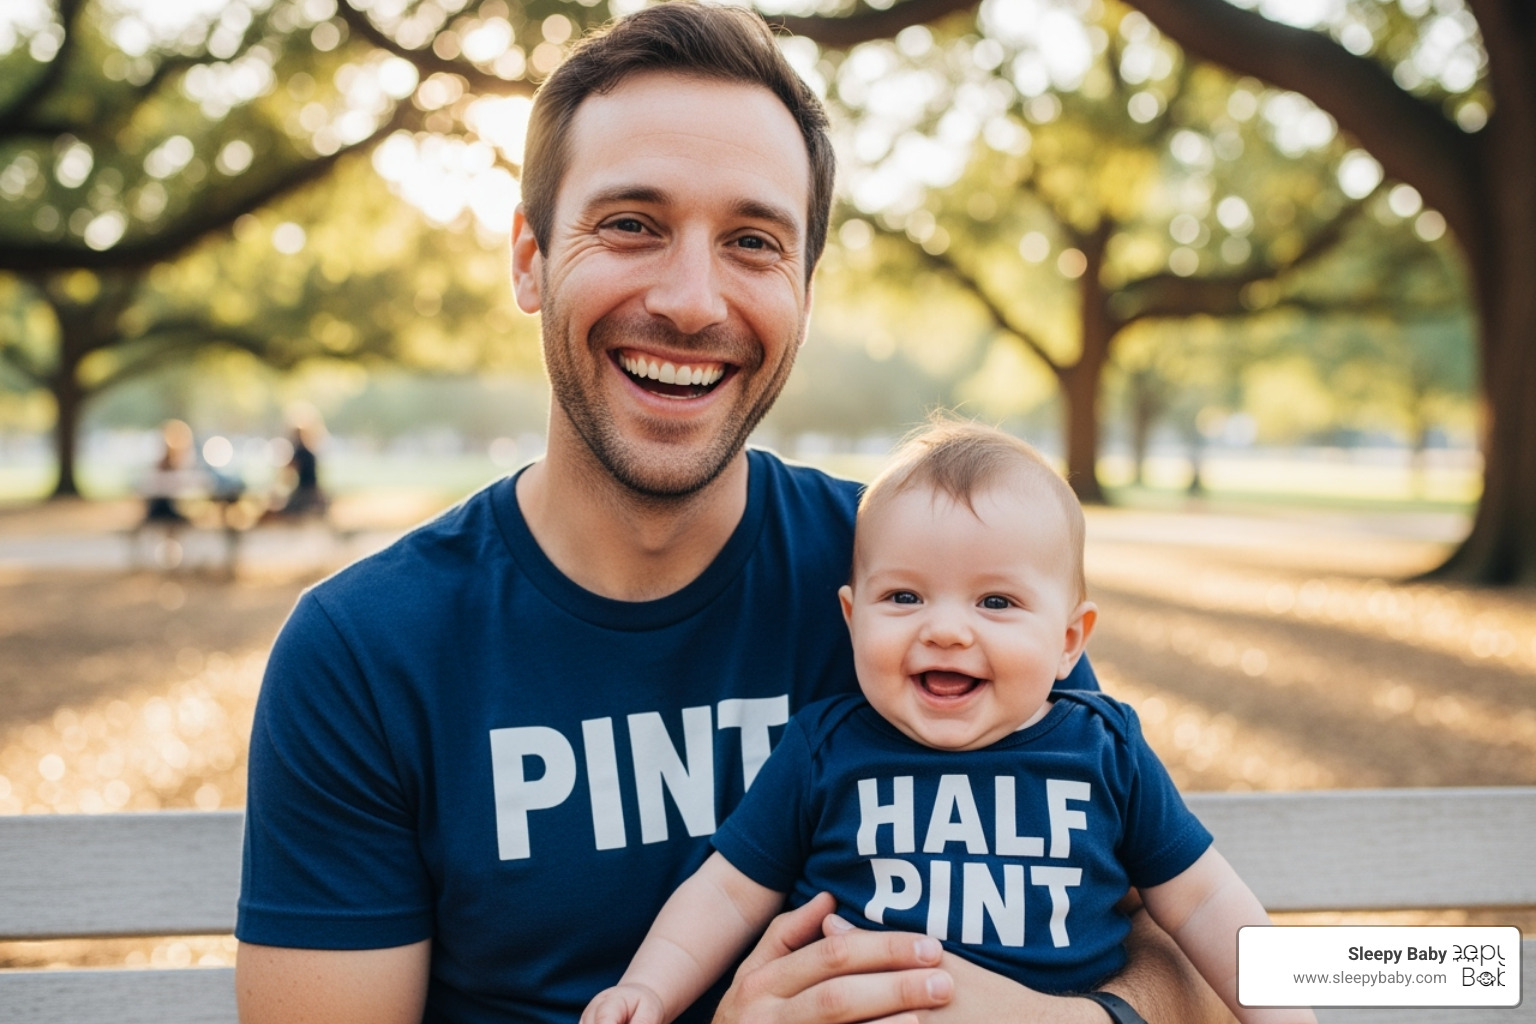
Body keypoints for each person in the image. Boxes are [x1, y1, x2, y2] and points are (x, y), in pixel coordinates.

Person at [235, 5, 1232, 1024]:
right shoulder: (367, 650)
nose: (692, 300)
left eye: (754, 241)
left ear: (802, 286)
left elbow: (1185, 958)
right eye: (631, 224)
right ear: (529, 257)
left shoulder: (936, 574)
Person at [582, 422, 1314, 1024]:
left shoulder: (1103, 749)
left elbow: (1206, 901)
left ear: (1069, 642)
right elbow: (726, 892)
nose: (947, 631)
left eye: (995, 603)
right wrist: (650, 991)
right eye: (904, 598)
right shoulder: (824, 749)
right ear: (851, 617)